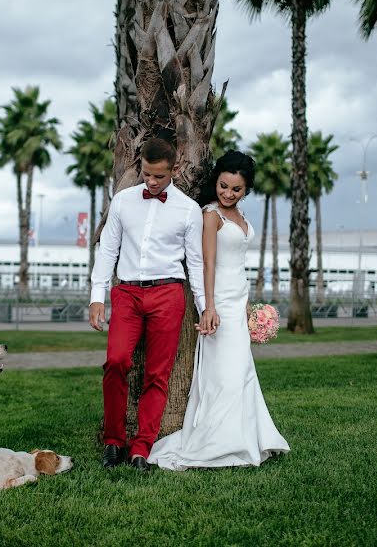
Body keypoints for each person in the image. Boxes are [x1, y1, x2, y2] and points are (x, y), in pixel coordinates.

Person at [148, 150, 290, 470]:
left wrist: (248, 306)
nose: (227, 193)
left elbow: (238, 263)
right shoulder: (211, 214)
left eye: (236, 189)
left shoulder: (241, 217)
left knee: (241, 373)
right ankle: (220, 444)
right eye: (223, 186)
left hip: (238, 302)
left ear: (246, 190)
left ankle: (246, 439)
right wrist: (208, 307)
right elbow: (207, 264)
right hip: (218, 304)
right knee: (224, 376)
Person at [89, 137, 212, 472]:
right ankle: (114, 442)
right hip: (127, 293)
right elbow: (108, 250)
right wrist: (97, 297)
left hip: (168, 294)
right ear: (139, 166)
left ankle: (141, 448)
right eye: (146, 174)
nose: (152, 182)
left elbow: (196, 263)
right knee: (116, 361)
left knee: (158, 375)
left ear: (173, 169)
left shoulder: (187, 209)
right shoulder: (123, 201)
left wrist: (203, 308)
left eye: (159, 176)